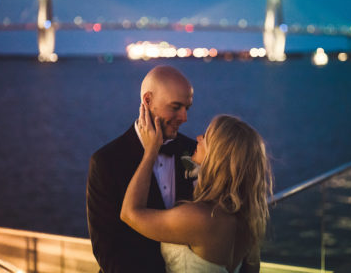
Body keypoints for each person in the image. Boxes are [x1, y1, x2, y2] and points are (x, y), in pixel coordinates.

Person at [121, 109, 273, 273]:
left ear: (218, 156)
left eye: (206, 137)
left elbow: (129, 213)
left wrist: (150, 152)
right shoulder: (247, 219)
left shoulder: (201, 218)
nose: (198, 138)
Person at [86, 65, 197, 273]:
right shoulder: (106, 162)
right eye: (175, 107)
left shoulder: (193, 151)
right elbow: (107, 251)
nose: (184, 117)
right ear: (147, 101)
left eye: (187, 108)